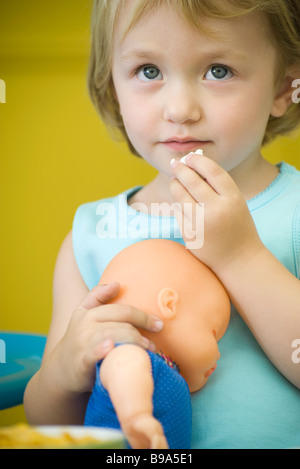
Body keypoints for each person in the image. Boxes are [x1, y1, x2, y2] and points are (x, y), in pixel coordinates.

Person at [24, 0, 300, 449]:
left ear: (285, 86)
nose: (180, 108)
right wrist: (64, 371)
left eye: (218, 70)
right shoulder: (92, 235)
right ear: (112, 85)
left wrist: (241, 257)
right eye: (149, 71)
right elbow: (48, 422)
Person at [83, 239, 231, 449]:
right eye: (213, 333)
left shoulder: (162, 369)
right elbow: (125, 368)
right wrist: (136, 416)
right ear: (169, 304)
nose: (218, 353)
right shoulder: (131, 353)